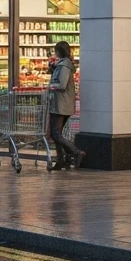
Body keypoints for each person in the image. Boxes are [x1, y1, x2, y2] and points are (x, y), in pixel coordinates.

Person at [48, 41, 85, 170]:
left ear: (58, 51)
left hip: (61, 104)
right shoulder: (64, 65)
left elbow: (62, 84)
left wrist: (50, 86)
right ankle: (61, 160)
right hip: (62, 104)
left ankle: (75, 152)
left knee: (55, 133)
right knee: (56, 133)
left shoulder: (64, 66)